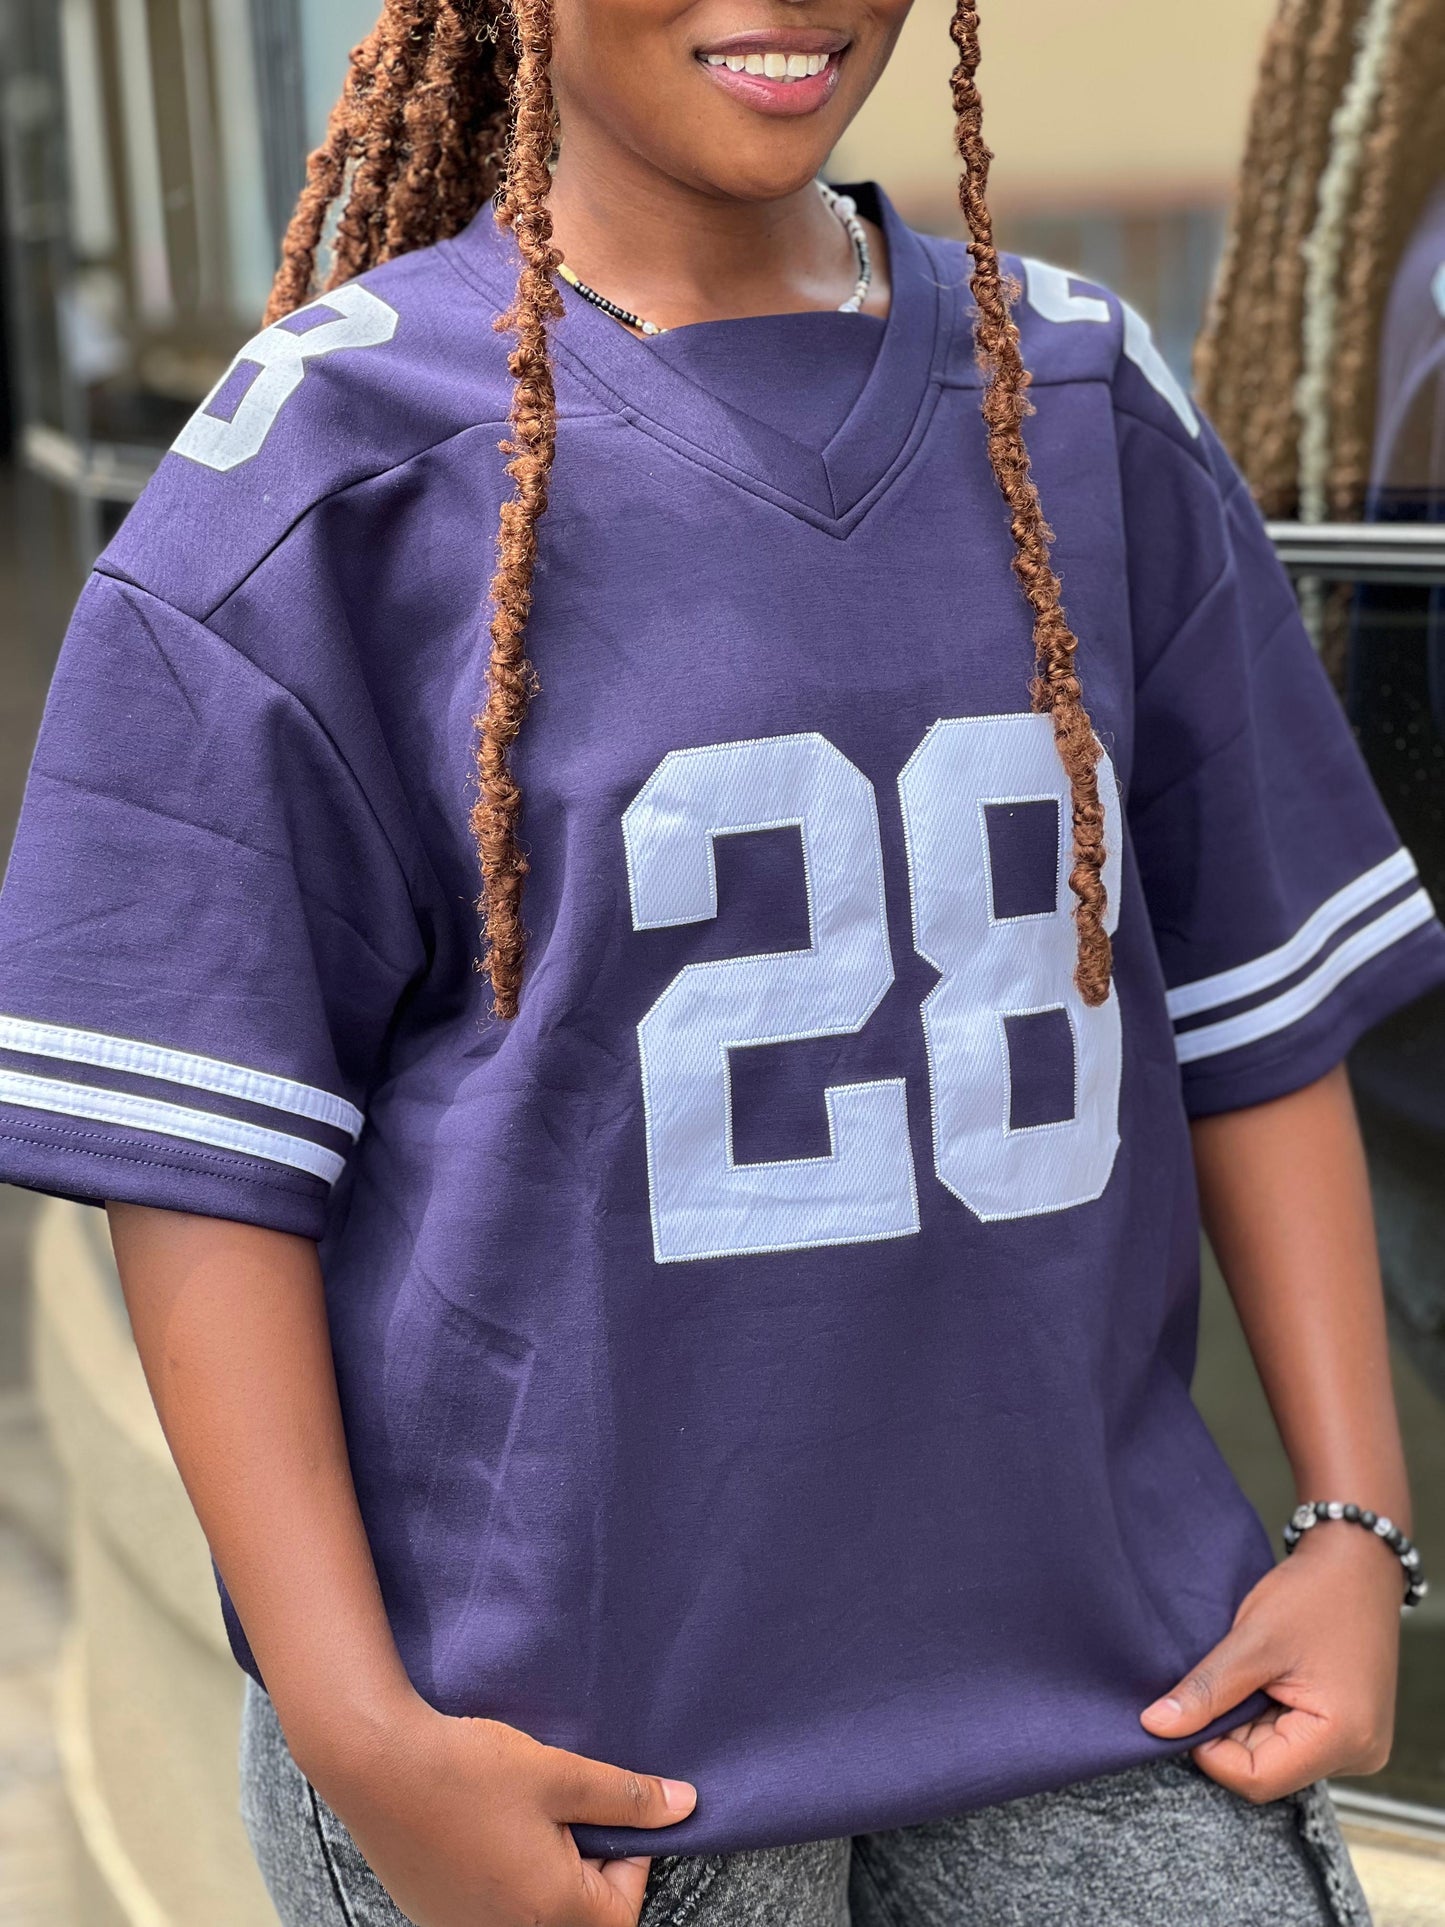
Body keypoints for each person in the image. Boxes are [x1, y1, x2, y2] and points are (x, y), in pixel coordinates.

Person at [0, 1, 1439, 1921]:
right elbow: (205, 1164)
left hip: (1105, 1676)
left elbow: (1252, 1008)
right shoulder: (326, 457)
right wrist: (357, 1726)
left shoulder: (1082, 393)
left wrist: (1354, 1525)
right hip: (567, 1738)